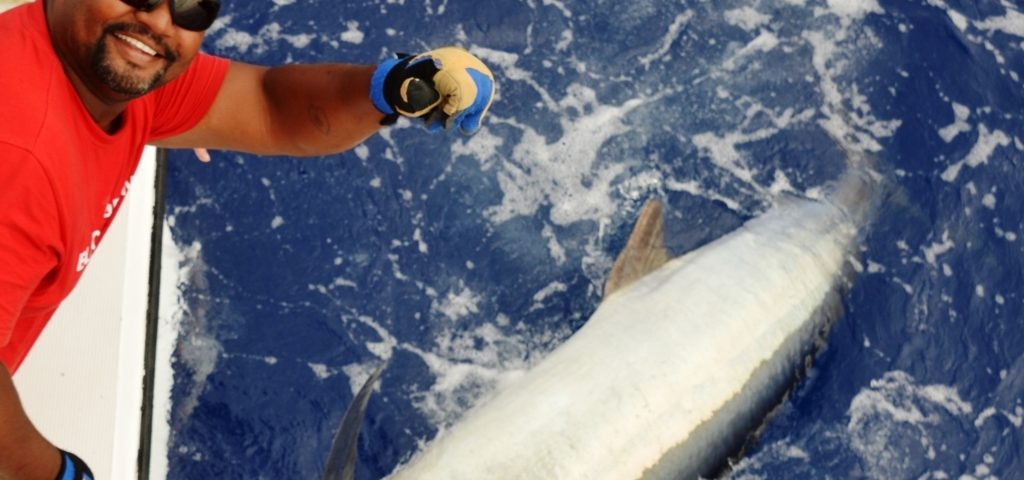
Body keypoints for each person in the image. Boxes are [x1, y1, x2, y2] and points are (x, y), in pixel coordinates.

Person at [0, 0, 495, 477]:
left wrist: (392, 87)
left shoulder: (118, 75)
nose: (157, 20)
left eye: (192, 6)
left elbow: (268, 106)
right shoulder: (21, 156)